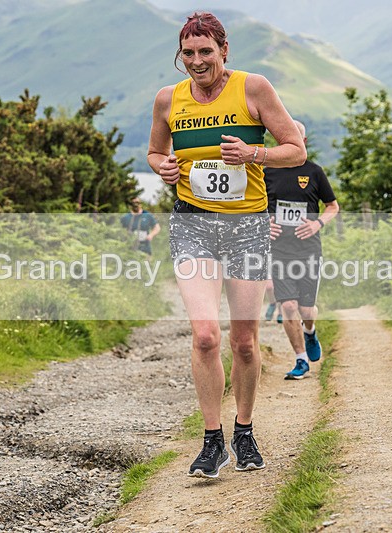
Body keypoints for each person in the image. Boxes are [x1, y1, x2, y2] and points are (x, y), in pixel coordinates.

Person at [147, 12, 306, 478]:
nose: (197, 62)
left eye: (205, 52)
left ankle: (245, 429)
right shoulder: (167, 99)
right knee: (204, 335)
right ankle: (212, 440)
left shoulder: (253, 88)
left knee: (244, 342)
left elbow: (295, 149)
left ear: (224, 50)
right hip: (193, 224)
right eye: (188, 54)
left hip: (247, 227)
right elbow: (155, 152)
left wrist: (254, 153)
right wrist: (164, 168)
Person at [265, 120, 339, 380]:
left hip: (308, 250)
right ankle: (300, 359)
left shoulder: (315, 172)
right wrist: (265, 223)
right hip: (279, 250)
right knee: (288, 306)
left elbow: (332, 206)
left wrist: (317, 223)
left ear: (303, 143)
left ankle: (310, 331)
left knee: (306, 310)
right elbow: (253, 207)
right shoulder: (266, 172)